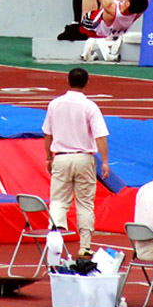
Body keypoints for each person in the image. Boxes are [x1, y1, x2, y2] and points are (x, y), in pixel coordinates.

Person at [42, 67, 109, 258]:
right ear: (87, 83)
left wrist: (48, 156)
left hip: (61, 157)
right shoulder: (90, 106)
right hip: (84, 158)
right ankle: (85, 245)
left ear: (67, 81)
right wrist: (104, 161)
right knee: (85, 203)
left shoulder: (55, 104)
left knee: (58, 201)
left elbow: (47, 133)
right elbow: (100, 136)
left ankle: (54, 240)